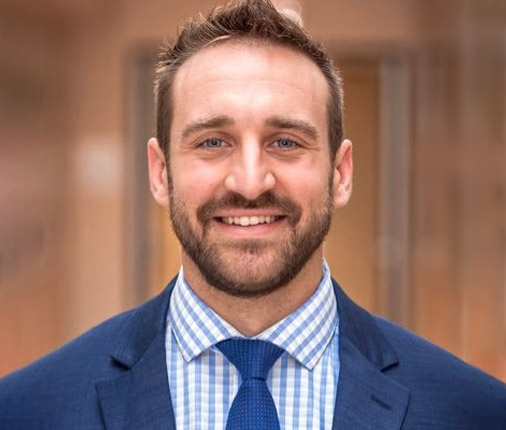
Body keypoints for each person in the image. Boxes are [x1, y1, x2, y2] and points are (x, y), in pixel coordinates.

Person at [1, 0, 505, 429]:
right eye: (212, 142)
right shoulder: (27, 411)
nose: (249, 181)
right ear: (160, 172)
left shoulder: (474, 412)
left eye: (285, 142)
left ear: (340, 172)